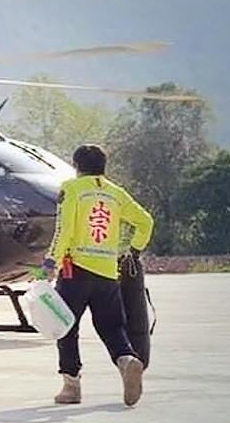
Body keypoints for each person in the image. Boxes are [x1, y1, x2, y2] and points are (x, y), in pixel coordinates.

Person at [39, 144, 154, 407]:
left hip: (75, 273)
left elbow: (64, 230)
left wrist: (48, 265)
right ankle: (127, 360)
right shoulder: (116, 193)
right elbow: (146, 221)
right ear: (104, 166)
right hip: (107, 274)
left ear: (77, 166)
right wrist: (133, 251)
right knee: (112, 327)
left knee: (66, 326)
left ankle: (71, 387)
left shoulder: (72, 189)